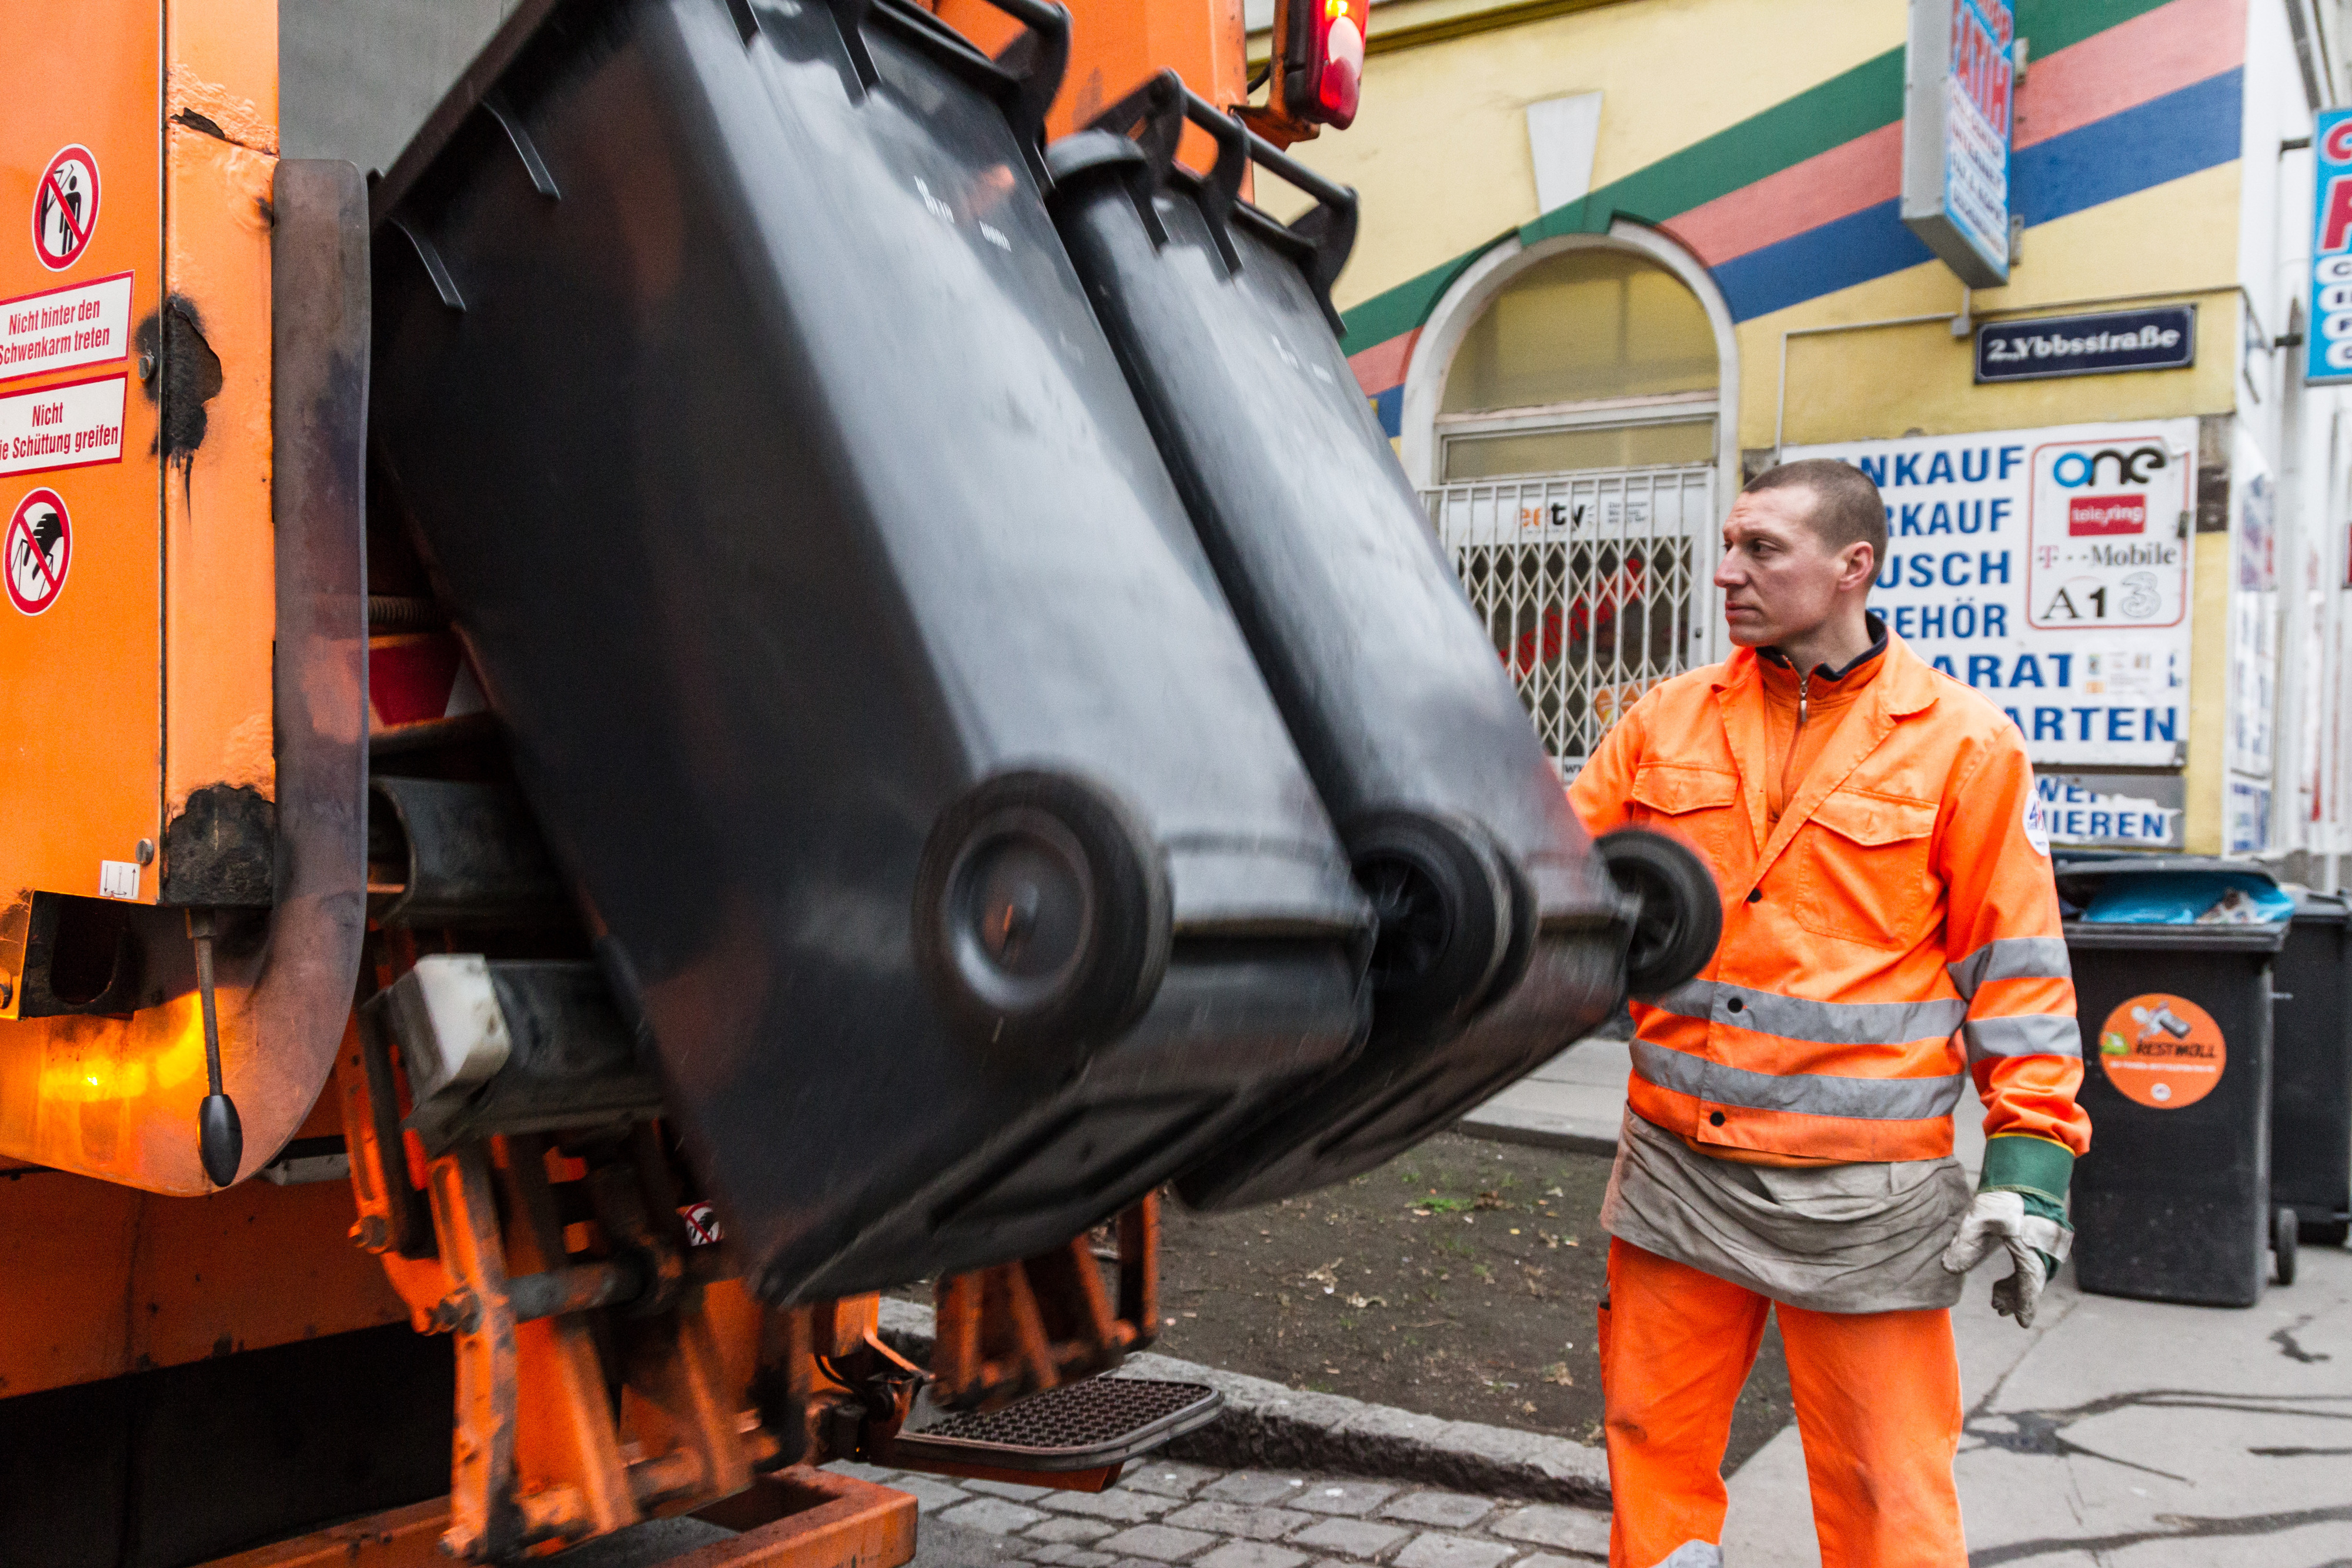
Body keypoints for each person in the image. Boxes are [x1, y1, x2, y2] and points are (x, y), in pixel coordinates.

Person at [1567, 459, 2090, 1568]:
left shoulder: (1962, 743)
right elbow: (1551, 877)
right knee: (1650, 1456)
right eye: (1728, 546)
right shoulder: (1666, 720)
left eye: (1762, 549)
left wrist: (2031, 1164)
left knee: (1888, 1493)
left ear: (1853, 566)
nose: (1726, 573)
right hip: (1676, 1168)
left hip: (1865, 1194)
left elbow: (2019, 967)